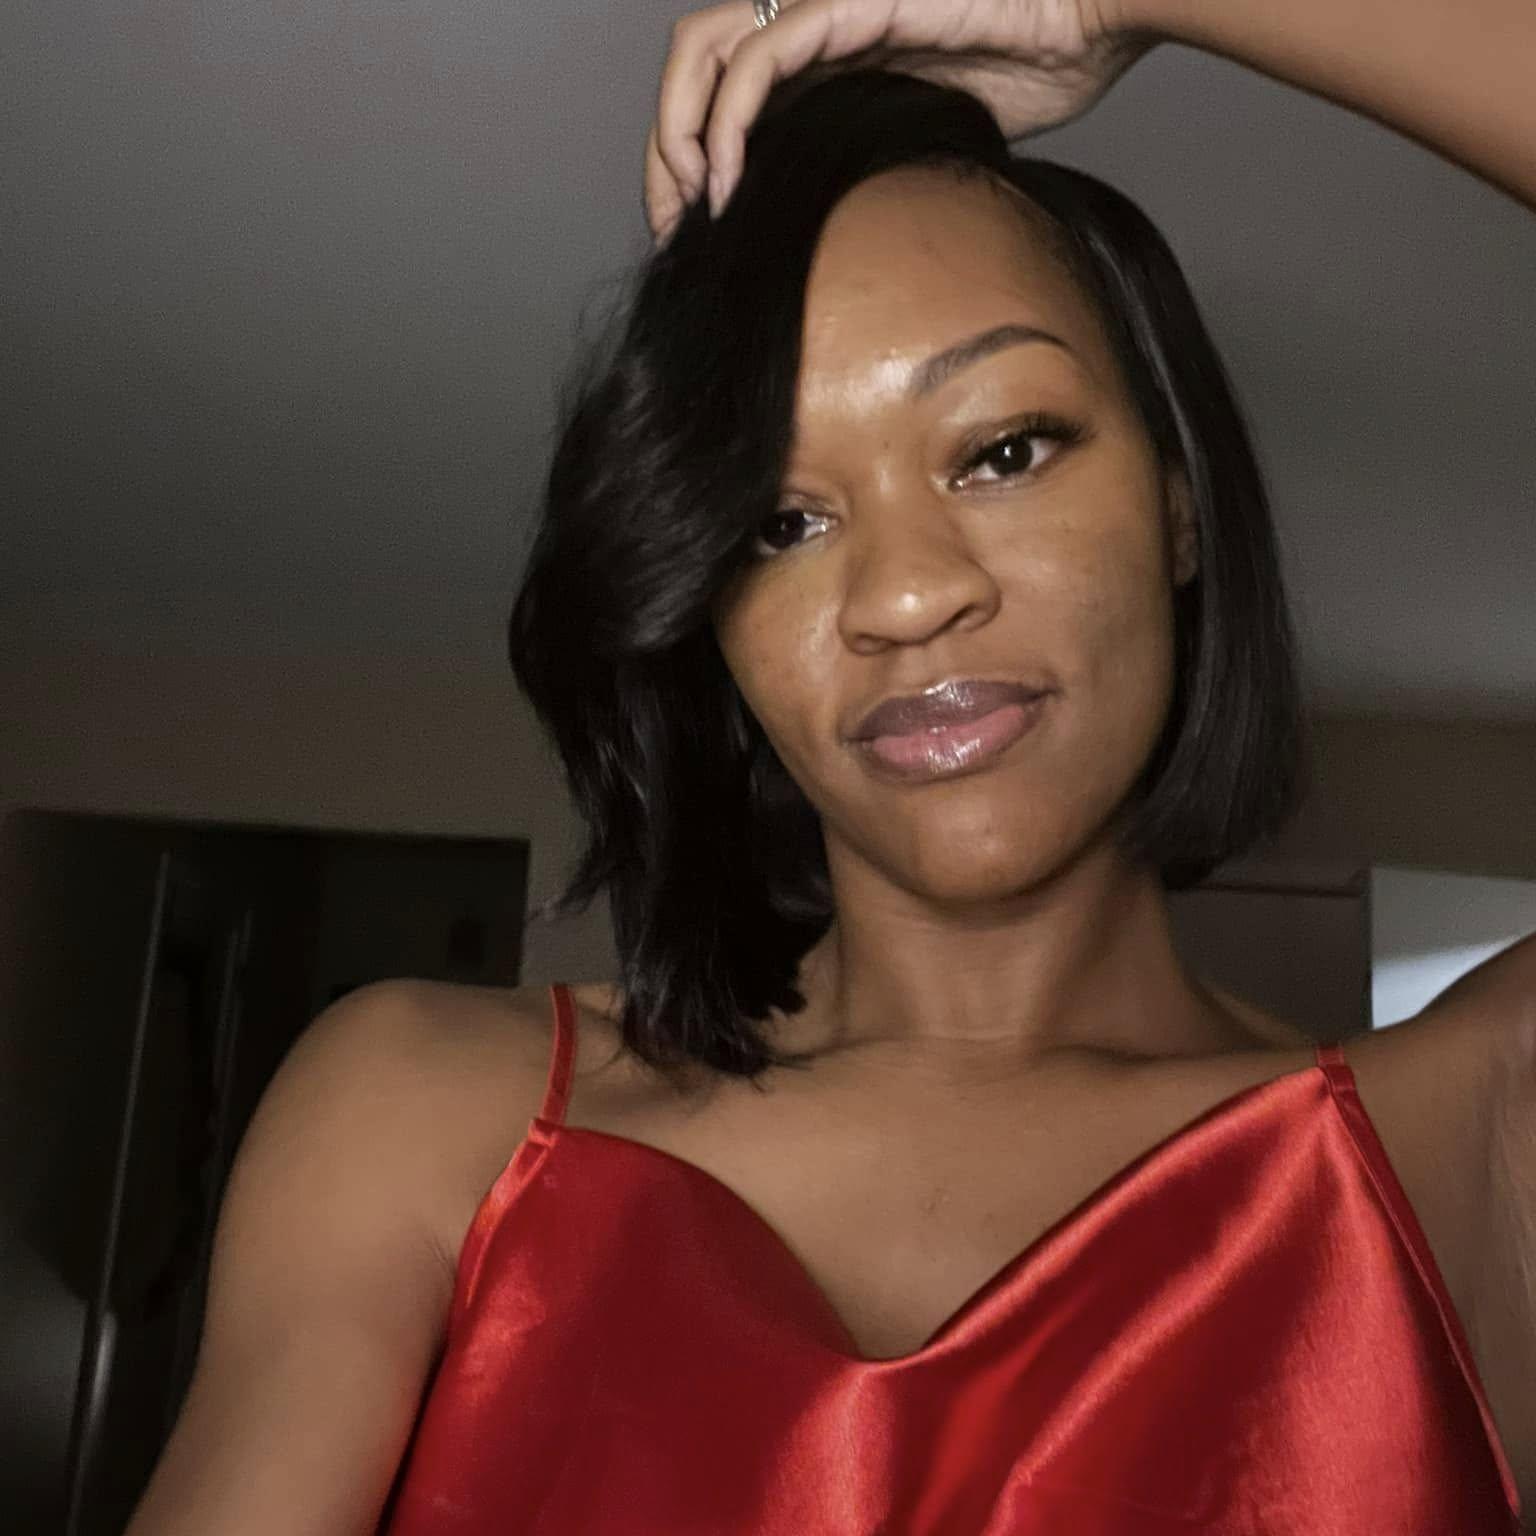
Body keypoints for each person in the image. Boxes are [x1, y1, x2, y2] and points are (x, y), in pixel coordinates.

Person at [127, 1, 1535, 1532]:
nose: (904, 597)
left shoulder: (1467, 1151)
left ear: (1180, 505)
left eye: (1003, 449)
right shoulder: (423, 1118)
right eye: (780, 522)